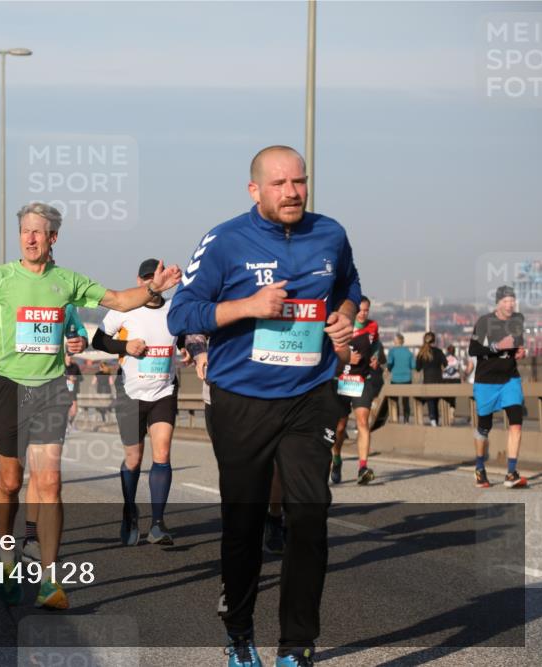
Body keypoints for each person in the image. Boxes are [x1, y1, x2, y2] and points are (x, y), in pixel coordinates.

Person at [0, 200, 181, 611]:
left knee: (49, 483)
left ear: (53, 238)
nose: (31, 238)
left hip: (50, 388)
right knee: (11, 483)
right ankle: (7, 559)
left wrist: (154, 288)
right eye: (25, 231)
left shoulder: (67, 281)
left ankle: (50, 581)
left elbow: (120, 301)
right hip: (8, 388)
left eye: (39, 231)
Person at [168, 145, 358, 667]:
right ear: (255, 190)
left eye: (299, 182)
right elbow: (181, 314)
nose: (292, 192)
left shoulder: (331, 234)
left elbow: (348, 287)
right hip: (241, 400)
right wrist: (247, 306)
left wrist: (343, 316)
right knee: (244, 523)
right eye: (280, 184)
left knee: (310, 516)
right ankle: (239, 632)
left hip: (309, 395)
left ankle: (296, 644)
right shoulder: (225, 239)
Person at [93, 258, 181, 547]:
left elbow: (182, 340)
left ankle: (158, 523)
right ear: (140, 279)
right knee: (133, 458)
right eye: (145, 278)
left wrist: (193, 351)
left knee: (163, 452)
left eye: (154, 277)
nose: (149, 283)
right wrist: (124, 346)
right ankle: (130, 511)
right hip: (130, 393)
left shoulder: (173, 311)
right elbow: (98, 341)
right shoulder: (125, 309)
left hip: (163, 391)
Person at [0, 303, 89, 484]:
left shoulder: (62, 293)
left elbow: (78, 329)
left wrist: (82, 340)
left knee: (47, 479)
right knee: (8, 476)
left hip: (47, 389)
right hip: (1, 393)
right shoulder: (3, 301)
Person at [469, 285, 528, 489]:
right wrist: (495, 348)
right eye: (505, 301)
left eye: (512, 300)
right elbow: (473, 349)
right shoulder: (485, 322)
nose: (510, 304)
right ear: (498, 303)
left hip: (510, 379)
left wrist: (520, 353)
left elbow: (518, 345)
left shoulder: (518, 320)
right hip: (486, 381)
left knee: (516, 423)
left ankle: (511, 472)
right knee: (484, 428)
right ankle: (479, 467)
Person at [330, 296, 382, 485]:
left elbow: (376, 345)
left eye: (366, 310)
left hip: (362, 380)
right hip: (341, 380)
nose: (362, 314)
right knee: (340, 427)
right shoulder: (343, 325)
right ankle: (336, 458)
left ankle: (362, 467)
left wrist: (376, 357)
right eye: (359, 310)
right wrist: (345, 357)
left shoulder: (373, 327)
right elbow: (329, 350)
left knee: (362, 422)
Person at [415, 332, 447, 426]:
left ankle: (433, 420)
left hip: (428, 380)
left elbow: (417, 368)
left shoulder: (422, 353)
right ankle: (435, 420)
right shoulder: (438, 351)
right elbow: (445, 364)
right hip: (438, 380)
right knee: (435, 402)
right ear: (434, 340)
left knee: (430, 401)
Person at [385, 333, 414, 423]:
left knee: (394, 400)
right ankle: (406, 419)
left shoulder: (392, 351)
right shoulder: (409, 352)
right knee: (406, 401)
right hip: (407, 379)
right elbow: (413, 365)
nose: (393, 341)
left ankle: (395, 418)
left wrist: (388, 369)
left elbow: (389, 363)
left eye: (394, 339)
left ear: (397, 341)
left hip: (396, 379)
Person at [65, 352, 83, 432]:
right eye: (68, 357)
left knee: (74, 410)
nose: (69, 358)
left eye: (70, 357)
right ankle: (65, 427)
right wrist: (68, 378)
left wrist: (75, 378)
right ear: (64, 357)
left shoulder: (75, 366)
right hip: (63, 391)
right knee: (65, 410)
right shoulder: (61, 367)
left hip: (73, 391)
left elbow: (81, 378)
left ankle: (70, 423)